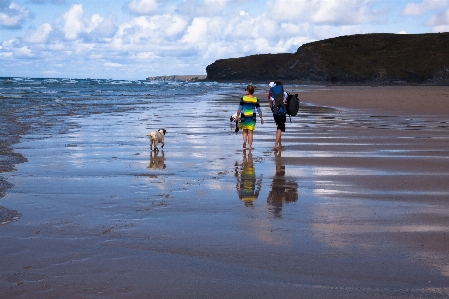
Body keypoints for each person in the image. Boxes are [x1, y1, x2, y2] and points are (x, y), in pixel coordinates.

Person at [236, 85, 264, 150]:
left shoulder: (243, 98)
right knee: (250, 132)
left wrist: (237, 116)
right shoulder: (255, 99)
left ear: (248, 91)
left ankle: (245, 141)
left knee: (244, 131)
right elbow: (259, 109)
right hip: (252, 117)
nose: (245, 91)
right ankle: (250, 146)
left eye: (246, 90)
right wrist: (261, 118)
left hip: (244, 116)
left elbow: (239, 109)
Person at [268, 80, 288, 151]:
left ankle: (280, 144)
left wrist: (273, 108)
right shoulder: (284, 93)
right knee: (280, 128)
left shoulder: (272, 93)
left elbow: (270, 105)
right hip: (282, 112)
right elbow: (286, 102)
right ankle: (276, 145)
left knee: (278, 128)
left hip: (275, 112)